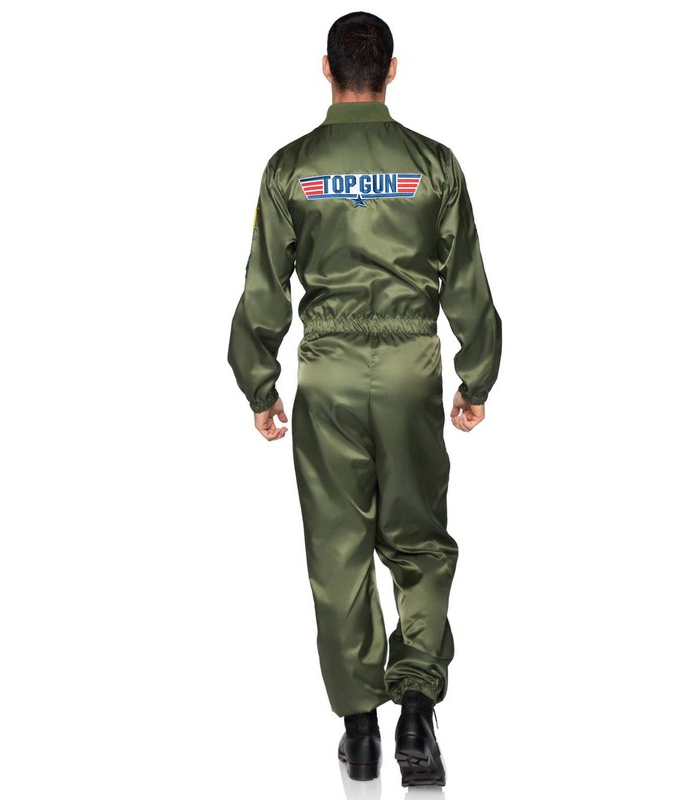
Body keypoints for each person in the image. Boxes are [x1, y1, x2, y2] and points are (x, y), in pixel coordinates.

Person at [227, 11, 502, 788]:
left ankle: (359, 731)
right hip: (412, 369)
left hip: (329, 374)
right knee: (418, 540)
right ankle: (415, 705)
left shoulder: (291, 169)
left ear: (326, 70)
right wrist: (477, 377)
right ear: (392, 70)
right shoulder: (433, 165)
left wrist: (259, 383)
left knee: (338, 549)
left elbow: (263, 285)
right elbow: (467, 279)